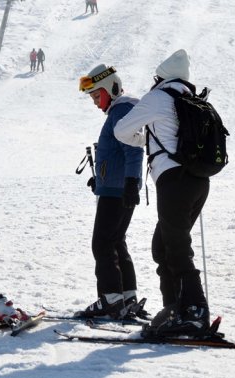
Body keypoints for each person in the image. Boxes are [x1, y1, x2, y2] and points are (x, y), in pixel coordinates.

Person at [114, 49, 211, 337]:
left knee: (176, 247)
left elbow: (121, 130)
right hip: (198, 181)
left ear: (160, 77)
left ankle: (194, 311)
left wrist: (145, 139)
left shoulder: (159, 97)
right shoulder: (192, 99)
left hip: (173, 181)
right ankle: (175, 309)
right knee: (164, 246)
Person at [76, 64, 144, 319]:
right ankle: (127, 298)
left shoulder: (121, 110)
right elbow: (118, 153)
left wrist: (128, 182)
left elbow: (133, 149)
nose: (95, 102)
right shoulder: (121, 111)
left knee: (102, 244)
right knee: (116, 242)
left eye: (96, 95)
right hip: (115, 188)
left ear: (110, 88)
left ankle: (110, 300)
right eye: (92, 97)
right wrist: (102, 181)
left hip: (117, 191)